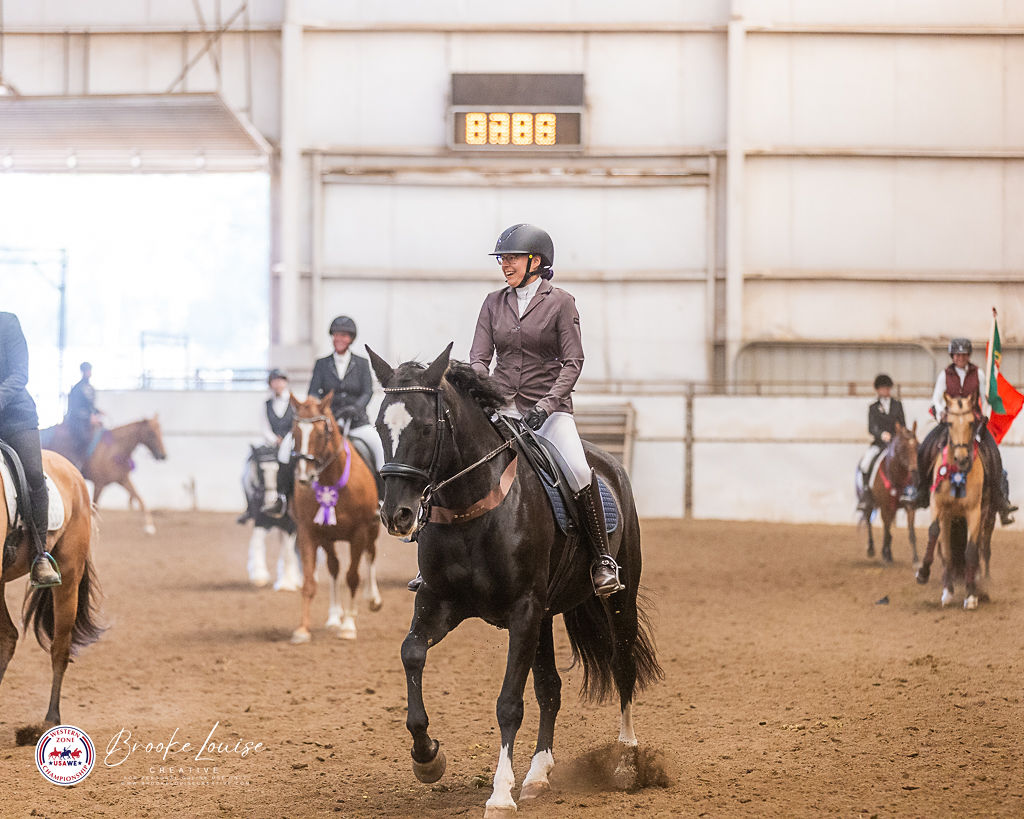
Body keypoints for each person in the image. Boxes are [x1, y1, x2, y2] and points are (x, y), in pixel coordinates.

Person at [409, 223, 623, 598]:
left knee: (577, 470)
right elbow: (479, 358)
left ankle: (602, 560)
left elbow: (573, 362)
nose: (505, 265)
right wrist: (483, 393)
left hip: (550, 411)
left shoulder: (561, 302)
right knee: (453, 459)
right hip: (503, 407)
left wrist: (547, 405)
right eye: (502, 259)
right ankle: (431, 566)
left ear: (535, 261)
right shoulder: (494, 302)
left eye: (511, 258)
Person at [262, 316, 385, 517]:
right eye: (337, 334)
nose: (340, 338)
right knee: (285, 448)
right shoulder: (322, 364)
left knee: (379, 447)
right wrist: (320, 410)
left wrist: (355, 408)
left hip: (356, 422)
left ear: (350, 339)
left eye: (344, 335)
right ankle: (282, 498)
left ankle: (381, 499)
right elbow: (313, 392)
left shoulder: (362, 363)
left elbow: (367, 391)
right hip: (326, 423)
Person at [914, 337, 1017, 525]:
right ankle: (920, 491)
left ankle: (1000, 499)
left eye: (963, 354)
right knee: (923, 449)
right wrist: (941, 416)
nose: (960, 358)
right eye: (957, 354)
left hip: (974, 423)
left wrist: (983, 416)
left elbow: (986, 400)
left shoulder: (979, 374)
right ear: (952, 356)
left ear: (968, 355)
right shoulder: (944, 375)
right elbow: (936, 400)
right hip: (950, 422)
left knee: (994, 454)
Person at [0, 313, 61, 587]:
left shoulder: (7, 323)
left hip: (15, 417)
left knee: (34, 474)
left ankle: (40, 555)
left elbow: (19, 374)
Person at [238, 369, 294, 525]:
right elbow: (264, 427)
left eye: (280, 380)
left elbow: (297, 424)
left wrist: (287, 440)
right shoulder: (266, 404)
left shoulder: (295, 401)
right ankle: (250, 507)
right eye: (274, 381)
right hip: (272, 443)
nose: (278, 384)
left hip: (291, 443)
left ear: (286, 382)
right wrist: (274, 439)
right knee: (247, 470)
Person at [855, 374, 908, 514]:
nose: (885, 391)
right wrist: (881, 434)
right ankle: (866, 496)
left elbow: (903, 424)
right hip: (879, 444)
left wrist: (899, 433)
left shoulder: (898, 405)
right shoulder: (873, 407)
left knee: (910, 461)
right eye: (882, 388)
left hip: (895, 444)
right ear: (878, 390)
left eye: (887, 388)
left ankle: (909, 491)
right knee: (865, 464)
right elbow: (871, 427)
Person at [64, 361, 103, 471]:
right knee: (83, 438)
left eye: (90, 370)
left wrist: (98, 411)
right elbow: (75, 408)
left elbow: (89, 405)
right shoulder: (77, 388)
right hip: (77, 421)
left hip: (87, 419)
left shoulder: (90, 387)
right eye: (87, 370)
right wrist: (88, 418)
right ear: (83, 371)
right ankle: (79, 463)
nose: (89, 372)